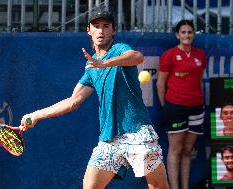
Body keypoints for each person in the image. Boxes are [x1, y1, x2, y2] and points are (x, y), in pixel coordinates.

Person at [19, 7, 169, 189]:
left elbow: (137, 57)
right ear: (88, 30)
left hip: (137, 131)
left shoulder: (119, 49)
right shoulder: (90, 68)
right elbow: (73, 101)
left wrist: (105, 63)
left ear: (113, 31)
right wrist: (36, 115)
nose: (101, 30)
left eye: (106, 26)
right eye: (96, 26)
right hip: (109, 139)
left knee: (158, 186)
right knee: (90, 186)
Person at [157, 20, 206, 189]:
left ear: (193, 34)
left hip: (197, 107)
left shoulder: (200, 55)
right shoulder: (169, 55)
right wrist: (167, 106)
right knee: (175, 149)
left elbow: (199, 81)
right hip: (175, 107)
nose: (187, 35)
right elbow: (160, 84)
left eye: (190, 32)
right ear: (178, 35)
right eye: (183, 32)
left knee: (187, 150)